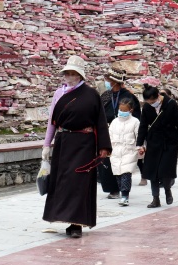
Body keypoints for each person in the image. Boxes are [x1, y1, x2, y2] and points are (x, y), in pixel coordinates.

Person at [42, 56, 111, 238]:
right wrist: (47, 144)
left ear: (80, 76)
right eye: (67, 73)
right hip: (63, 142)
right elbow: (52, 121)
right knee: (62, 182)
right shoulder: (59, 94)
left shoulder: (91, 95)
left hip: (84, 144)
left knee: (79, 183)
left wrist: (103, 146)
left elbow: (100, 122)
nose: (70, 77)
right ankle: (61, 216)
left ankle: (76, 224)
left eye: (74, 74)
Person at [137, 84, 178, 208]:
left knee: (166, 171)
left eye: (153, 101)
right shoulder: (147, 107)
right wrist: (140, 143)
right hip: (153, 141)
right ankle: (155, 199)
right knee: (152, 171)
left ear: (158, 96)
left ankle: (167, 190)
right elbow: (143, 125)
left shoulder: (171, 104)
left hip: (169, 141)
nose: (151, 103)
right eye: (148, 102)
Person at [99, 68, 142, 196]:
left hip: (125, 133)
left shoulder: (129, 97)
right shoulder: (106, 96)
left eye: (109, 79)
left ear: (114, 81)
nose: (106, 81)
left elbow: (137, 117)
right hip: (108, 133)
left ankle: (123, 190)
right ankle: (112, 188)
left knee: (123, 164)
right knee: (108, 161)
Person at [108, 98, 140, 206]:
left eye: (124, 110)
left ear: (130, 110)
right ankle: (122, 192)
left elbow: (139, 136)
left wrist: (140, 147)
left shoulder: (135, 122)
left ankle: (125, 196)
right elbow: (110, 136)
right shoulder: (114, 122)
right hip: (116, 151)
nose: (122, 112)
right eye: (120, 109)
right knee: (118, 174)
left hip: (129, 151)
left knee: (126, 173)